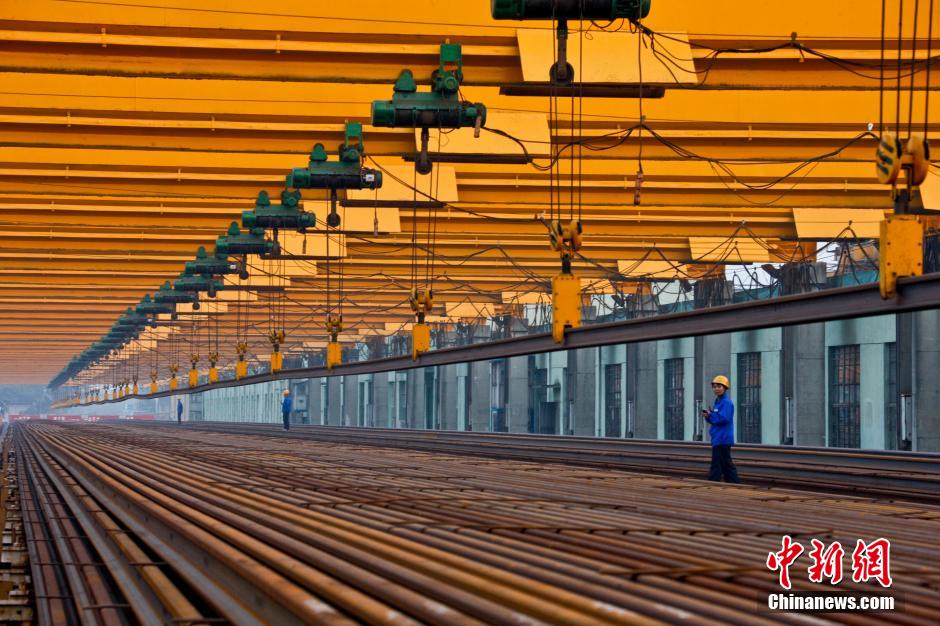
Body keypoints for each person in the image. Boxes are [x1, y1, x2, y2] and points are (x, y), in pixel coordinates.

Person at [701, 375, 740, 483]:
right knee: (726, 464)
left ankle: (713, 483)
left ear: (725, 388)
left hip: (723, 438)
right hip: (718, 437)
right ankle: (734, 483)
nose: (716, 389)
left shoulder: (726, 402)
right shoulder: (718, 401)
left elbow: (724, 418)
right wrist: (708, 417)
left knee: (717, 463)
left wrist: (711, 416)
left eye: (719, 386)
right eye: (714, 386)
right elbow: (716, 420)